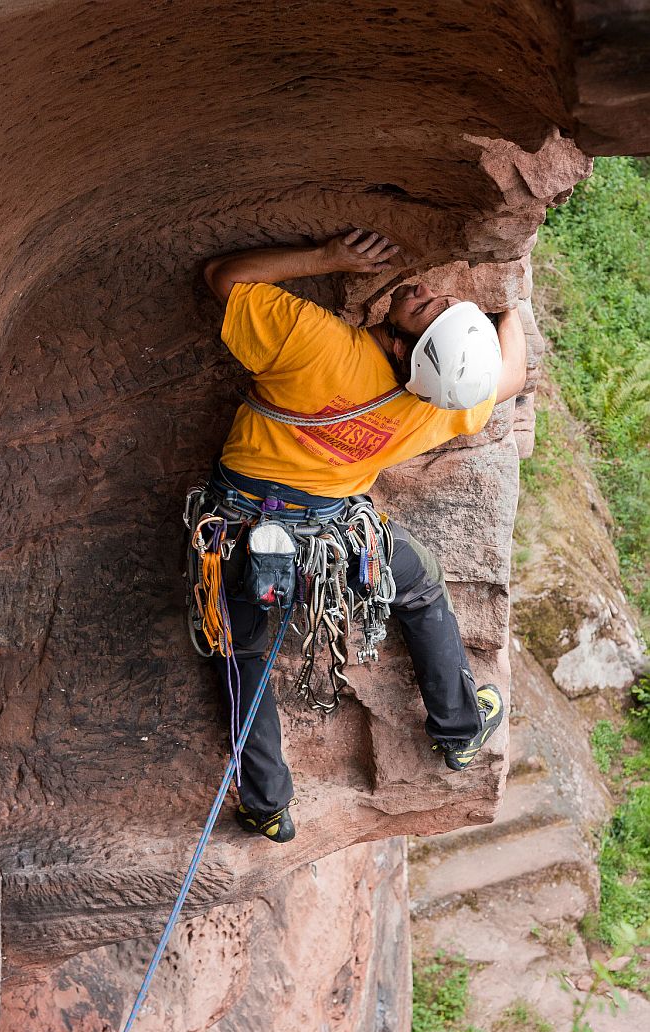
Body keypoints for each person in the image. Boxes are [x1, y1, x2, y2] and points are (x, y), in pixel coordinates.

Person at [199, 229, 527, 843]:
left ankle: (267, 804)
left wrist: (329, 257)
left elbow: (225, 275)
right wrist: (507, 314)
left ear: (406, 350)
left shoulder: (318, 345)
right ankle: (458, 728)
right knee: (419, 585)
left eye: (426, 309)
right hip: (332, 542)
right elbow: (505, 378)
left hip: (238, 532)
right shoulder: (438, 406)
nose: (424, 290)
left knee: (242, 652)